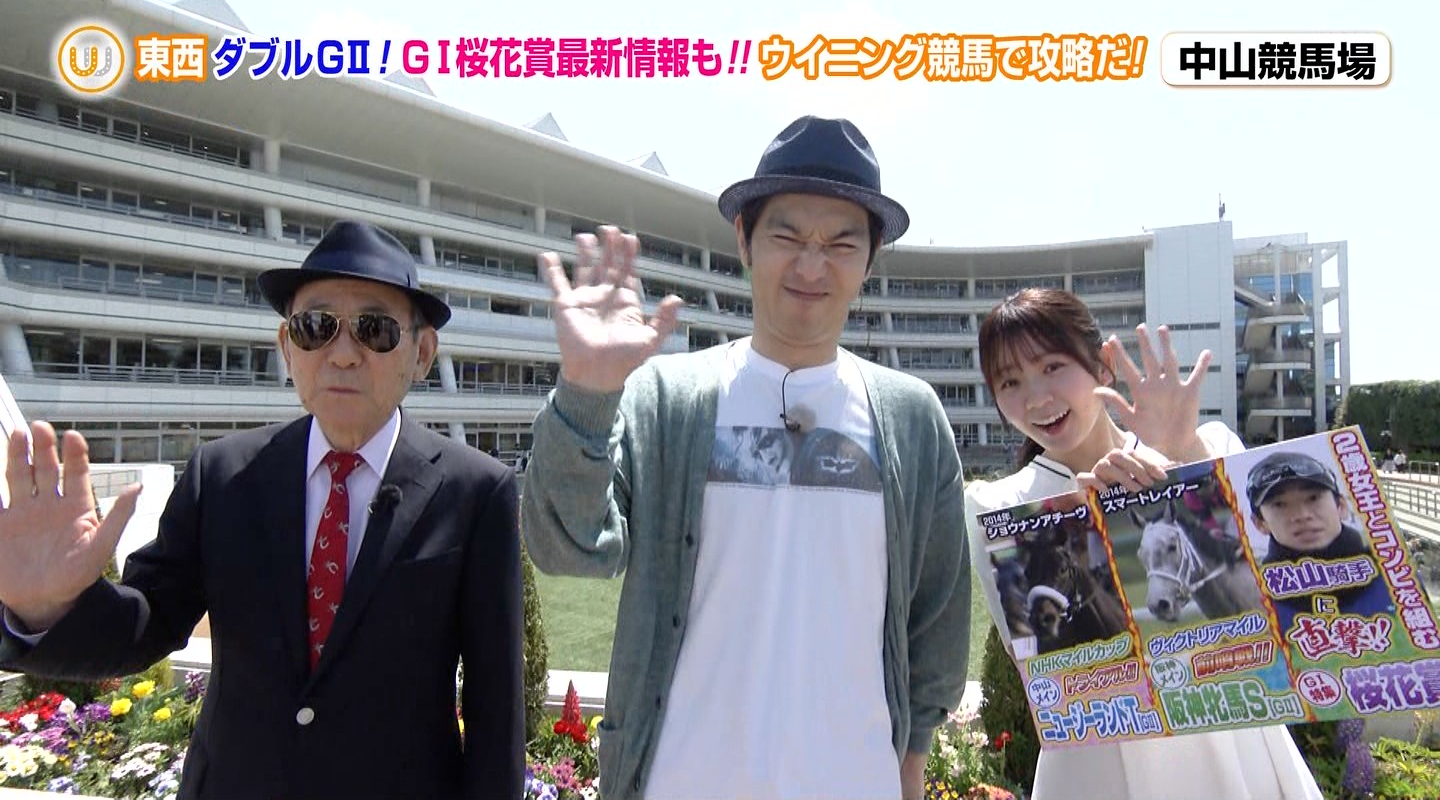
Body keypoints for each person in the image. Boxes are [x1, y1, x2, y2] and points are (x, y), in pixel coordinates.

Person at [521, 115, 971, 800]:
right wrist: (585, 392)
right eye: (787, 237)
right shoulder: (667, 398)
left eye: (841, 243)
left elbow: (937, 613)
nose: (812, 266)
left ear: (871, 257)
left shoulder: (911, 418)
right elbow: (567, 547)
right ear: (744, 239)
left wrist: (911, 765)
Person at [0, 221, 524, 799]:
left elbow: (495, 712)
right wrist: (46, 608)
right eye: (316, 327)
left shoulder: (475, 493)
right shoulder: (224, 474)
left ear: (421, 354)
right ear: (287, 347)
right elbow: (149, 621)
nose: (342, 354)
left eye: (373, 330)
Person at [964, 288, 1321, 800]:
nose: (1036, 399)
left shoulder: (1209, 448)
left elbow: (1270, 608)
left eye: (1052, 367)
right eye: (1010, 382)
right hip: (1098, 762)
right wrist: (1086, 530)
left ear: (1103, 366)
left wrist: (1180, 462)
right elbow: (1040, 664)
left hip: (1231, 741)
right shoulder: (999, 509)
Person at [1247, 450, 1396, 635]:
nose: (1302, 515)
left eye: (1313, 498)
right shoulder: (1252, 605)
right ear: (1260, 523)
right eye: (1279, 504)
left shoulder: (1396, 574)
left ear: (1341, 506)